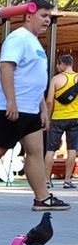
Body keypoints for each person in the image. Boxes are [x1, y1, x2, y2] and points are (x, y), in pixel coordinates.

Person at [0, 2, 69, 215]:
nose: (47, 20)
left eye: (49, 16)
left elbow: (36, 79)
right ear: (29, 16)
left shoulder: (35, 43)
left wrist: (42, 109)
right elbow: (6, 68)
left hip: (30, 108)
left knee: (35, 152)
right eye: (43, 15)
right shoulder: (18, 38)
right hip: (13, 107)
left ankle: (42, 198)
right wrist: (11, 101)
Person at [45, 53, 78, 189]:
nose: (57, 67)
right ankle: (67, 180)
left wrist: (47, 117)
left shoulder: (55, 79)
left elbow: (49, 100)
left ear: (63, 64)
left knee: (51, 150)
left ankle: (46, 180)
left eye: (58, 65)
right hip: (75, 118)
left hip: (58, 118)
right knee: (72, 150)